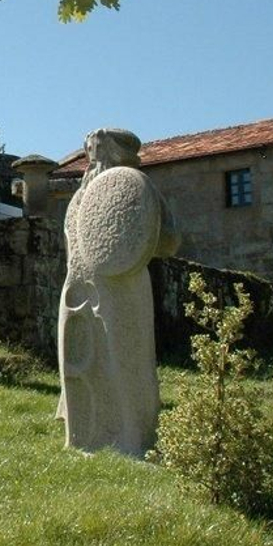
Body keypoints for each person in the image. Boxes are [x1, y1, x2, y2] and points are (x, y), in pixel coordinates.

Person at [56, 128, 179, 456]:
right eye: (89, 150)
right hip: (78, 287)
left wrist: (136, 242)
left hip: (122, 289)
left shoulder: (137, 186)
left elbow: (170, 240)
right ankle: (83, 436)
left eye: (98, 149)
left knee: (124, 364)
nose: (92, 156)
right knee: (79, 362)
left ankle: (131, 439)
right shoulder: (78, 196)